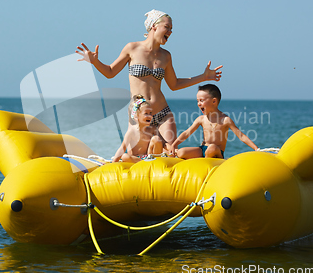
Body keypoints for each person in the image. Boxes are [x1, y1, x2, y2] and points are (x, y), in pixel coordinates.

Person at [76, 9, 223, 148]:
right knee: (139, 156)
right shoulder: (132, 48)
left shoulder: (166, 56)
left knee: (170, 153)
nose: (170, 32)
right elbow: (110, 72)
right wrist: (95, 62)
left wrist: (204, 77)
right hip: (139, 113)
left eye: (171, 29)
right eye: (167, 27)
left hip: (163, 113)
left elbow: (174, 84)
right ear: (154, 26)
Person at [169, 84, 259, 158]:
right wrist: (174, 144)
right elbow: (187, 133)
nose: (198, 104)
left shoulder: (225, 120)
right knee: (181, 152)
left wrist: (256, 148)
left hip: (216, 152)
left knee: (212, 147)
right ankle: (173, 150)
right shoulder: (201, 119)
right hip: (203, 149)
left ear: (214, 101)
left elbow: (241, 136)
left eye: (201, 100)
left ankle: (206, 164)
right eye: (197, 101)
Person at [113, 95, 163, 163]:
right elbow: (122, 148)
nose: (150, 116)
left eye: (150, 113)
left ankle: (153, 162)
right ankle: (143, 163)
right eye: (146, 113)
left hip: (149, 157)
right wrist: (113, 162)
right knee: (124, 156)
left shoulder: (152, 129)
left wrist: (172, 149)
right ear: (136, 116)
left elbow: (163, 143)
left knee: (156, 139)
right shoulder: (132, 131)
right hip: (136, 159)